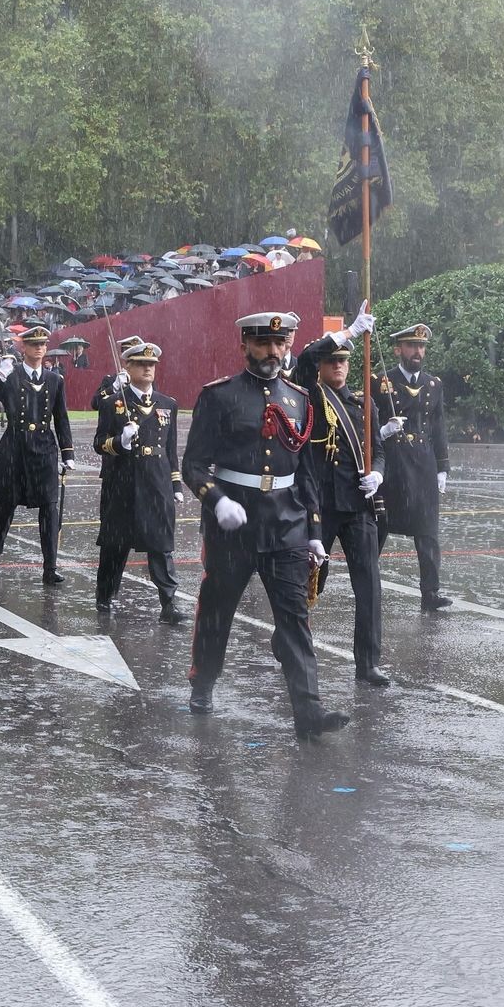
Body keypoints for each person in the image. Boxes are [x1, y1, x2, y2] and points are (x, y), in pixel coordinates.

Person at [182, 310, 347, 740]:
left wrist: (313, 530)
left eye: (280, 343)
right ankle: (203, 683)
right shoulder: (218, 396)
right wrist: (215, 500)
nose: (273, 352)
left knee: (294, 618)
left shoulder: (299, 398)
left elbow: (307, 472)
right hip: (233, 526)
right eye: (263, 344)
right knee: (218, 609)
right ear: (245, 346)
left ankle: (308, 711)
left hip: (285, 524)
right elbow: (193, 466)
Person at [298, 331, 391, 686]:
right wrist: (348, 332)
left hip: (356, 504)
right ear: (322, 366)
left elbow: (379, 451)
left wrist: (378, 476)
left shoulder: (363, 404)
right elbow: (304, 358)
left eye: (343, 360)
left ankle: (367, 664)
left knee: (368, 586)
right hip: (319, 503)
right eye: (331, 360)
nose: (338, 366)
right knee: (312, 581)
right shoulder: (308, 395)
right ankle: (288, 635)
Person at [93, 342, 185, 625]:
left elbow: (170, 451)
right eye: (141, 364)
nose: (148, 368)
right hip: (122, 481)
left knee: (161, 543)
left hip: (156, 483)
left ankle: (168, 602)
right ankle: (105, 595)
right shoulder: (113, 404)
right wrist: (120, 442)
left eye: (152, 364)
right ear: (128, 368)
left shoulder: (168, 404)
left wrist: (176, 485)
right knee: (115, 544)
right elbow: (99, 444)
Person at [0, 325, 74, 581]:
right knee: (5, 507)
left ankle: (50, 568)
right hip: (15, 448)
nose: (40, 348)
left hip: (43, 449)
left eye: (43, 344)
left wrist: (68, 453)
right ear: (23, 348)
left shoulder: (55, 380)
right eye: (34, 344)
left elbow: (61, 418)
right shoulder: (10, 375)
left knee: (49, 509)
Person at [375, 323, 451, 611]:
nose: (417, 351)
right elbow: (366, 422)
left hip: (423, 463)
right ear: (398, 350)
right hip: (392, 462)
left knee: (428, 530)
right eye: (411, 346)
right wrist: (382, 430)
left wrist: (443, 468)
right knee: (380, 525)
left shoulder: (434, 384)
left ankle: (430, 592)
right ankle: (369, 582)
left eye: (421, 346)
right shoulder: (380, 381)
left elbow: (439, 427)